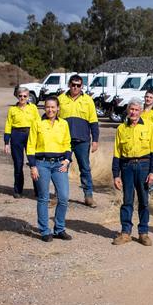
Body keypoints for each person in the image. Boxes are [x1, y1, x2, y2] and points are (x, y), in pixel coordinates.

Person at [112, 98, 153, 246]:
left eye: (136, 110)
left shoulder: (149, 126)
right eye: (131, 109)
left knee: (144, 201)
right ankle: (125, 232)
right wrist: (115, 175)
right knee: (127, 201)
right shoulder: (121, 128)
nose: (133, 112)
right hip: (127, 167)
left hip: (144, 165)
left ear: (140, 111)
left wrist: (152, 172)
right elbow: (117, 153)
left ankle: (143, 233)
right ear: (127, 110)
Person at [27, 96, 72, 242]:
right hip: (42, 164)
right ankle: (45, 230)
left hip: (59, 164)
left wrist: (67, 160)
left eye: (53, 107)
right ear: (44, 108)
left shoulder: (64, 124)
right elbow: (30, 146)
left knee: (64, 197)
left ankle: (59, 229)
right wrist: (33, 166)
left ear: (58, 108)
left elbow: (67, 143)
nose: (50, 110)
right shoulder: (37, 123)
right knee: (43, 198)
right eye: (47, 107)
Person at [58, 74, 99, 207]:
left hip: (83, 140)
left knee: (85, 168)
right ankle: (61, 196)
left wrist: (95, 140)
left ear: (82, 86)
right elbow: (52, 117)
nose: (75, 87)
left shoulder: (88, 100)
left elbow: (93, 122)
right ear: (69, 85)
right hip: (64, 141)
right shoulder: (61, 99)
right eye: (73, 84)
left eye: (78, 85)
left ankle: (89, 196)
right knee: (62, 168)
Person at [4, 87, 41, 198]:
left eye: (25, 96)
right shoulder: (12, 110)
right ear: (17, 96)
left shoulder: (33, 108)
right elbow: (8, 125)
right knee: (18, 164)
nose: (22, 98)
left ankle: (38, 190)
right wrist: (6, 142)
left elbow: (38, 122)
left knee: (34, 163)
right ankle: (18, 190)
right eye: (20, 96)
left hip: (30, 134)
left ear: (28, 97)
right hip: (16, 135)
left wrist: (40, 136)